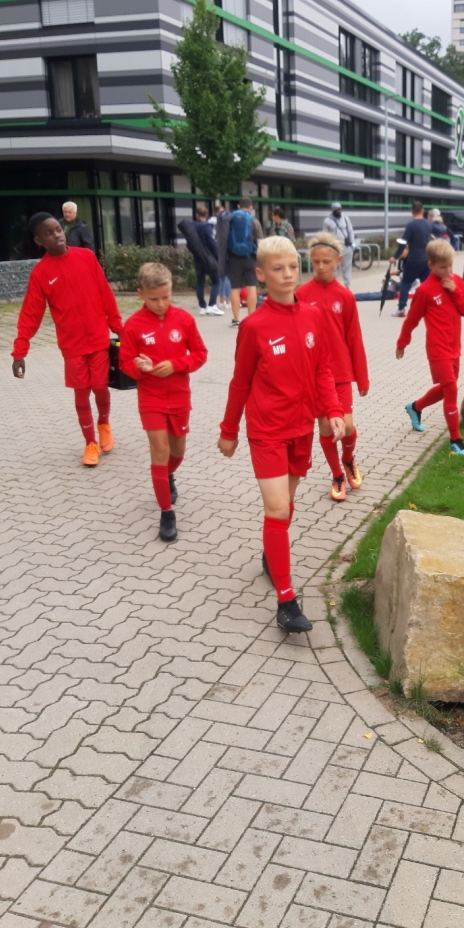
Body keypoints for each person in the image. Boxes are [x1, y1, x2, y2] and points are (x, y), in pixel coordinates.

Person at [218, 236, 345, 634]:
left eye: (292, 266)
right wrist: (228, 430)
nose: (288, 274)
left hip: (301, 428)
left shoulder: (313, 317)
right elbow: (240, 383)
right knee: (276, 509)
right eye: (277, 268)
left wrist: (333, 410)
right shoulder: (253, 326)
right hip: (267, 431)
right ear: (261, 274)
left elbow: (323, 368)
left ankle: (270, 555)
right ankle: (286, 602)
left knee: (285, 508)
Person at [11, 212, 122, 467]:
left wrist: (120, 329)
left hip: (98, 339)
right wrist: (19, 352)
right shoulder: (41, 273)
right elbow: (30, 314)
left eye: (58, 230)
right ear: (39, 241)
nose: (56, 236)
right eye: (48, 234)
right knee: (81, 394)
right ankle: (90, 443)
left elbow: (105, 294)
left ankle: (104, 423)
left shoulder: (87, 257)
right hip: (72, 346)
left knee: (100, 386)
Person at [119, 263, 208, 542]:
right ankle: (166, 512)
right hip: (151, 398)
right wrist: (139, 368)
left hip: (179, 397)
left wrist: (177, 364)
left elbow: (200, 354)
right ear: (140, 295)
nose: (160, 304)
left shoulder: (184, 319)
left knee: (177, 451)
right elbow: (124, 363)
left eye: (166, 297)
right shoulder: (133, 325)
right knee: (159, 449)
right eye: (154, 298)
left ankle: (167, 476)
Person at [297, 232, 369, 502]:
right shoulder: (301, 295)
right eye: (315, 262)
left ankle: (348, 459)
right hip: (314, 376)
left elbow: (354, 338)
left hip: (340, 374)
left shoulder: (345, 296)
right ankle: (337, 475)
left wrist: (362, 378)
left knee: (346, 427)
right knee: (327, 428)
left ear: (338, 260)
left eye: (326, 262)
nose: (320, 266)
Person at [396, 237, 464, 457]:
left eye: (450, 266)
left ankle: (415, 407)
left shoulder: (456, 281)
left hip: (455, 347)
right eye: (442, 267)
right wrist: (402, 343)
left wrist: (455, 290)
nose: (448, 271)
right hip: (438, 350)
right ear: (430, 265)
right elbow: (411, 319)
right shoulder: (424, 291)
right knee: (451, 389)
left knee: (445, 389)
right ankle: (456, 440)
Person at [389, 200, 445, 317]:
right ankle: (431, 307)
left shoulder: (411, 225)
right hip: (426, 260)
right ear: (423, 210)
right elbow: (441, 230)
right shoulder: (428, 224)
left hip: (413, 259)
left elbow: (403, 243)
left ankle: (401, 309)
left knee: (406, 283)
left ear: (412, 211)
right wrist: (439, 223)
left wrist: (395, 257)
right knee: (427, 284)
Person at [218, 197, 263, 327]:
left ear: (238, 206)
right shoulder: (254, 221)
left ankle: (236, 319)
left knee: (235, 289)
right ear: (251, 207)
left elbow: (223, 239)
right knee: (251, 287)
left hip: (233, 258)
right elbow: (261, 242)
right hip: (250, 258)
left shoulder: (230, 220)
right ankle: (252, 318)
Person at [188, 205, 222, 316]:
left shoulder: (192, 227)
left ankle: (202, 306)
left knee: (200, 282)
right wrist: (217, 257)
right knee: (216, 281)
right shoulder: (207, 227)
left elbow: (189, 244)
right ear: (206, 215)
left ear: (196, 215)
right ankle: (212, 305)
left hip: (198, 258)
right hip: (209, 257)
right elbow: (212, 243)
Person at [322, 201, 355, 288]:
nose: (339, 211)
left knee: (347, 267)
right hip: (334, 248)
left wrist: (353, 244)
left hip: (346, 246)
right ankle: (334, 286)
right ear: (333, 210)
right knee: (334, 268)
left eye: (340, 209)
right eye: (337, 210)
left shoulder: (346, 219)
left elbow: (350, 231)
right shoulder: (327, 221)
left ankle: (347, 286)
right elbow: (325, 235)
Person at [213, 202, 231, 307]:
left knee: (221, 277)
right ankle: (228, 301)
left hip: (215, 251)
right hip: (225, 250)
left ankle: (221, 300)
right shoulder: (226, 221)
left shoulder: (211, 222)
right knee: (227, 277)